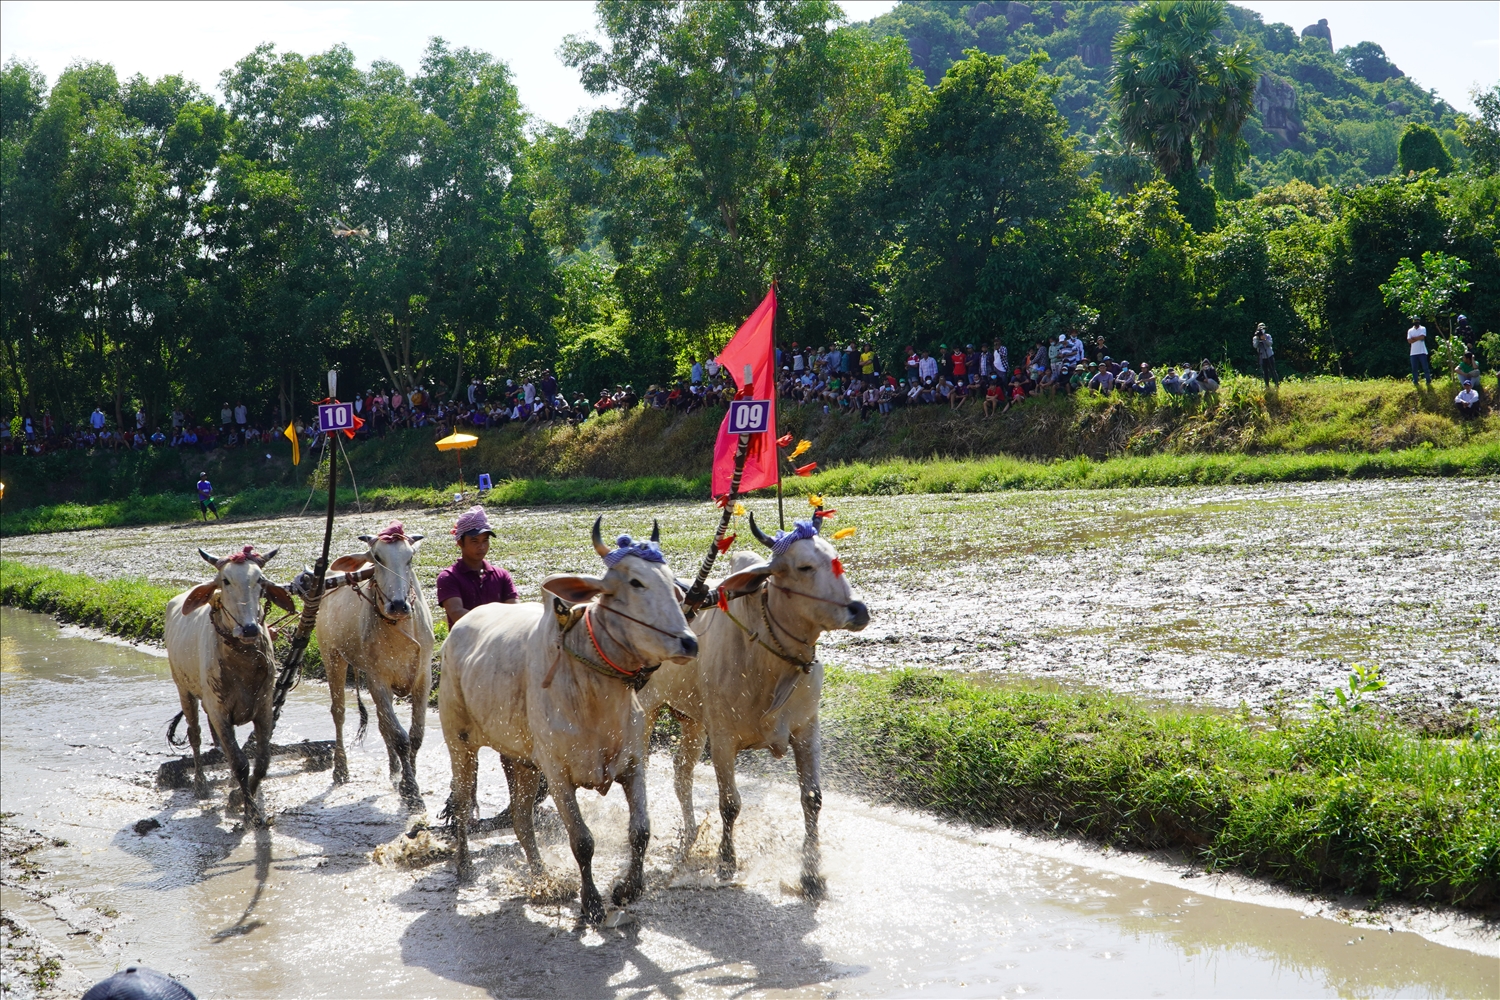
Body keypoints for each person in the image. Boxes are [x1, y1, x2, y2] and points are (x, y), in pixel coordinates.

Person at [436, 506, 518, 628]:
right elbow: (456, 613)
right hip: (465, 645)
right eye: (475, 541)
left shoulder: (501, 575)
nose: (482, 547)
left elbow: (514, 610)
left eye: (485, 540)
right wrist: (495, 625)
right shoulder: (448, 577)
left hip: (500, 644)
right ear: (460, 543)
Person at [1252, 323, 1279, 387]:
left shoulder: (1268, 336)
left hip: (1269, 355)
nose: (1263, 330)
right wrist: (1258, 339)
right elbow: (1255, 346)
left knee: (1272, 370)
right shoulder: (1255, 338)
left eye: (1264, 328)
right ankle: (1267, 385)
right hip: (1262, 356)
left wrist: (1264, 339)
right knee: (1265, 372)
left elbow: (1270, 344)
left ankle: (1276, 384)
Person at [1407, 317, 1431, 389]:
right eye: (1415, 320)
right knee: (1414, 368)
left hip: (1422, 351)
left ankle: (1428, 380)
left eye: (1417, 320)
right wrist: (1417, 338)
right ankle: (1415, 381)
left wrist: (1413, 338)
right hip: (1413, 352)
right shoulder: (1410, 330)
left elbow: (1422, 337)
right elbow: (1409, 341)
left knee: (1425, 367)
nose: (1416, 322)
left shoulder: (1423, 328)